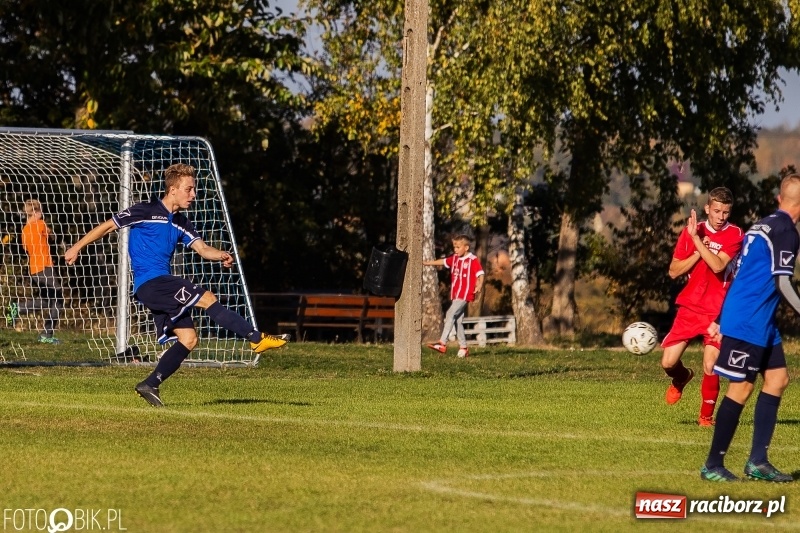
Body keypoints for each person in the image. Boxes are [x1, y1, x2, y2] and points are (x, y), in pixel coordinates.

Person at [64, 163, 287, 407]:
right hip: (152, 283)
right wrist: (76, 247)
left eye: (194, 189)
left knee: (189, 339)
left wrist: (221, 254)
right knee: (208, 298)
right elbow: (108, 226)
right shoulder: (145, 210)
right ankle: (256, 338)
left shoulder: (182, 222)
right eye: (189, 189)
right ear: (173, 190)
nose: (194, 195)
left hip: (160, 285)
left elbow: (202, 248)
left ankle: (150, 384)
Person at [699, 174, 800, 483]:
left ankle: (758, 461)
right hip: (749, 320)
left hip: (759, 319)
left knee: (778, 379)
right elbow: (783, 283)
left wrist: (720, 317)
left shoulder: (762, 225)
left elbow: (741, 274)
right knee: (741, 388)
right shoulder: (786, 231)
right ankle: (713, 465)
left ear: (780, 199)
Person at [660, 187, 742, 426]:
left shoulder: (735, 234)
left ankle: (706, 418)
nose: (721, 217)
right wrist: (696, 247)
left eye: (725, 212)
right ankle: (682, 377)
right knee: (668, 363)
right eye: (716, 211)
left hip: (718, 311)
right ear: (707, 208)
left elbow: (718, 266)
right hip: (690, 306)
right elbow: (674, 271)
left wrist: (698, 241)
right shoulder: (693, 231)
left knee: (710, 364)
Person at [5, 199, 64, 343]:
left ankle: (18, 307)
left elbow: (26, 248)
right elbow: (52, 237)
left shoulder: (24, 231)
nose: (42, 214)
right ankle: (47, 335)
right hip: (45, 266)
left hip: (34, 270)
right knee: (58, 300)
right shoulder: (41, 224)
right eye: (41, 211)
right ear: (36, 212)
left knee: (47, 301)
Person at [423, 234, 484, 358]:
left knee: (450, 314)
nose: (455, 250)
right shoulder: (455, 258)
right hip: (456, 294)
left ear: (466, 248)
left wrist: (479, 285)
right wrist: (428, 263)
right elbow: (443, 261)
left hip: (465, 294)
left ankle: (442, 343)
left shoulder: (472, 260)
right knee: (457, 320)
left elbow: (480, 273)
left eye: (458, 247)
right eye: (454, 247)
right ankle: (463, 347)